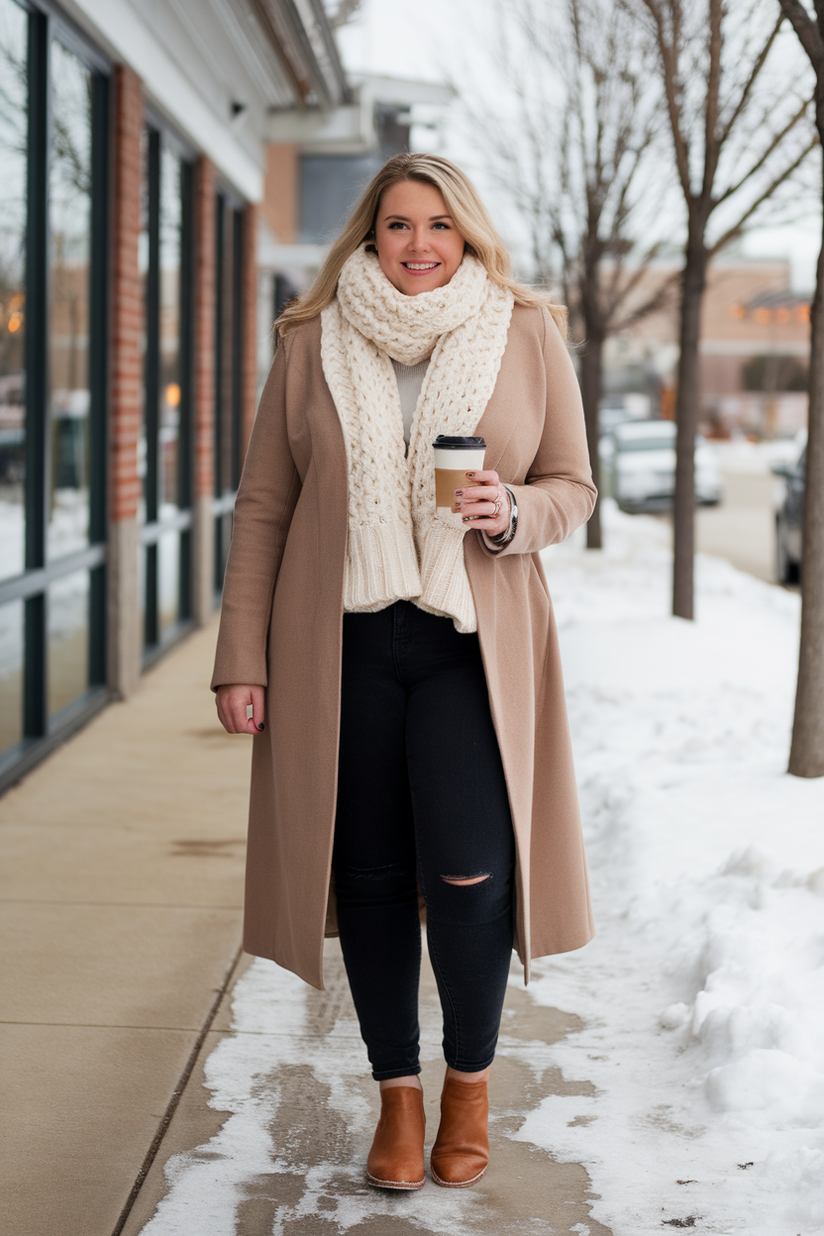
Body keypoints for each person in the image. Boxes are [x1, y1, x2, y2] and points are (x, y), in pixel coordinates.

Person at [212, 153, 596, 1192]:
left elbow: (572, 484)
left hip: (467, 646)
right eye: (396, 226)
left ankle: (466, 1082)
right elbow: (264, 507)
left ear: (465, 233)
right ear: (368, 238)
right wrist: (240, 656)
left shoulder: (523, 330)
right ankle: (397, 1095)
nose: (417, 244)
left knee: (467, 876)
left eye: (437, 225)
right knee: (370, 877)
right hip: (338, 648)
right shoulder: (309, 340)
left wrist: (513, 513)